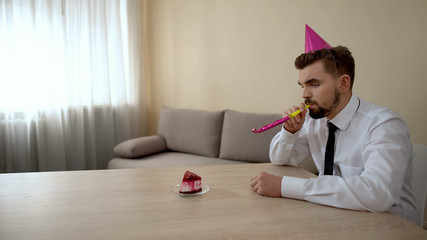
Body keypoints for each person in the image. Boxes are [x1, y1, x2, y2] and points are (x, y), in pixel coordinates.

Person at [250, 36, 417, 223]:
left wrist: (285, 187)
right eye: (302, 86)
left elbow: (378, 194)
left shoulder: (384, 125)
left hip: (389, 227)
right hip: (333, 218)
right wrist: (290, 133)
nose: (304, 94)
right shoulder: (316, 121)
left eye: (314, 84)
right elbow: (280, 161)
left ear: (343, 84)